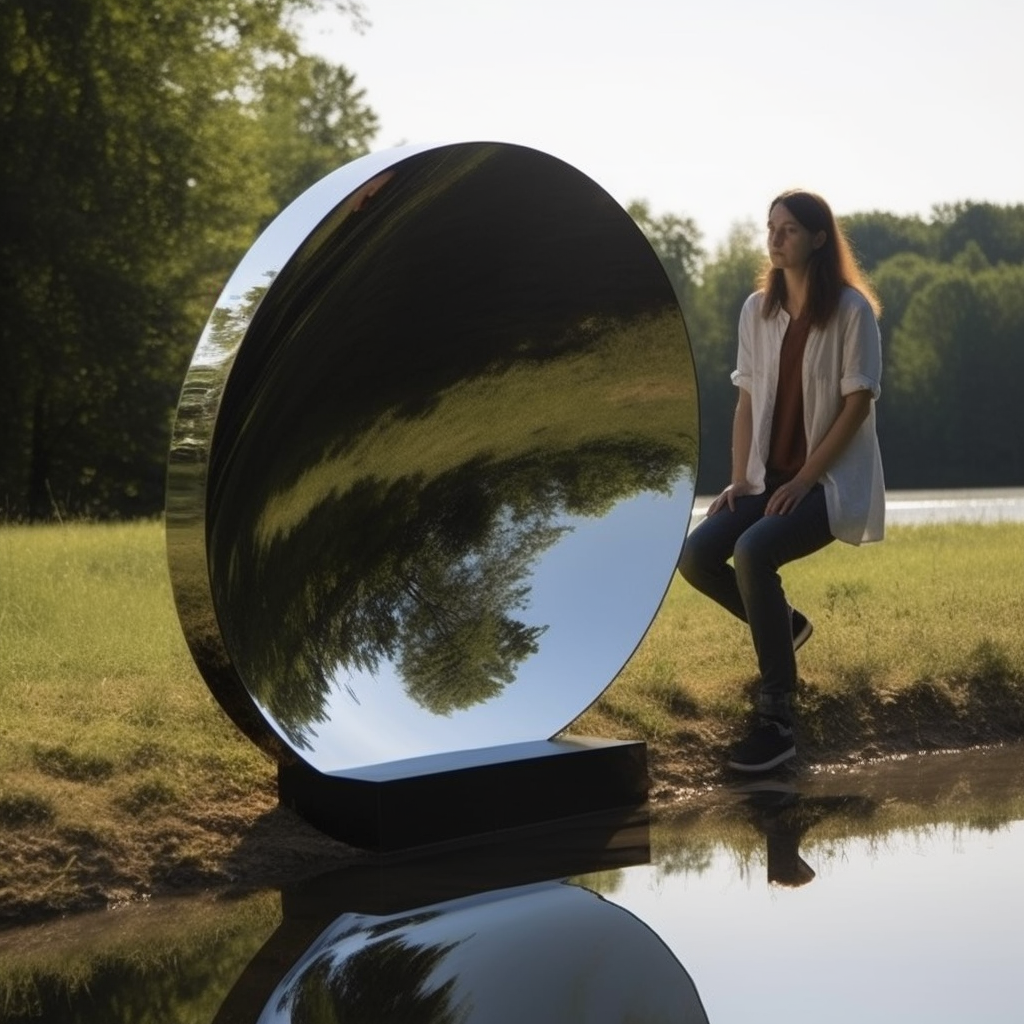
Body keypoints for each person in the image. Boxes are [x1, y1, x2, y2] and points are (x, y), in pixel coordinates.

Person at [678, 188, 885, 772]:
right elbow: (746, 401)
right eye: (770, 227)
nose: (775, 237)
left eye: (789, 229)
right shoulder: (756, 311)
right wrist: (743, 480)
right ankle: (787, 628)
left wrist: (804, 481)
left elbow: (856, 407)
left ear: (819, 239)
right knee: (696, 556)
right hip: (766, 481)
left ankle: (777, 721)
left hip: (828, 485)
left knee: (752, 552)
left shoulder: (851, 311)